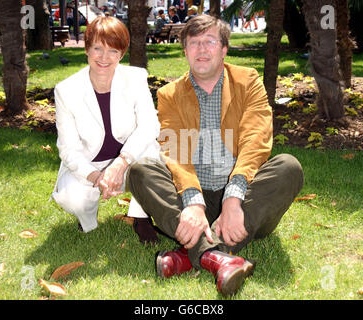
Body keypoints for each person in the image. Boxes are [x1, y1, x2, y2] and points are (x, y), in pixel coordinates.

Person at [127, 15, 304, 296]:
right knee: (140, 171)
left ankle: (190, 255)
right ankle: (218, 257)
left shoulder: (248, 81)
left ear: (224, 49)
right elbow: (175, 151)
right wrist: (193, 203)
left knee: (288, 167)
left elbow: (255, 140)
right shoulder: (170, 94)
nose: (201, 49)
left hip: (244, 203)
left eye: (209, 41)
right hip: (191, 201)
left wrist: (233, 199)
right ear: (185, 51)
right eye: (194, 43)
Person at [51, 16, 161, 244]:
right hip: (90, 163)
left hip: (130, 160)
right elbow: (68, 149)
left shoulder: (136, 78)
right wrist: (96, 176)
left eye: (113, 51)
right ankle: (88, 218)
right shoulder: (66, 91)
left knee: (152, 156)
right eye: (97, 49)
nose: (104, 57)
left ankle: (141, 217)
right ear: (87, 49)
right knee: (74, 200)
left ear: (122, 54)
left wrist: (121, 163)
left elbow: (150, 125)